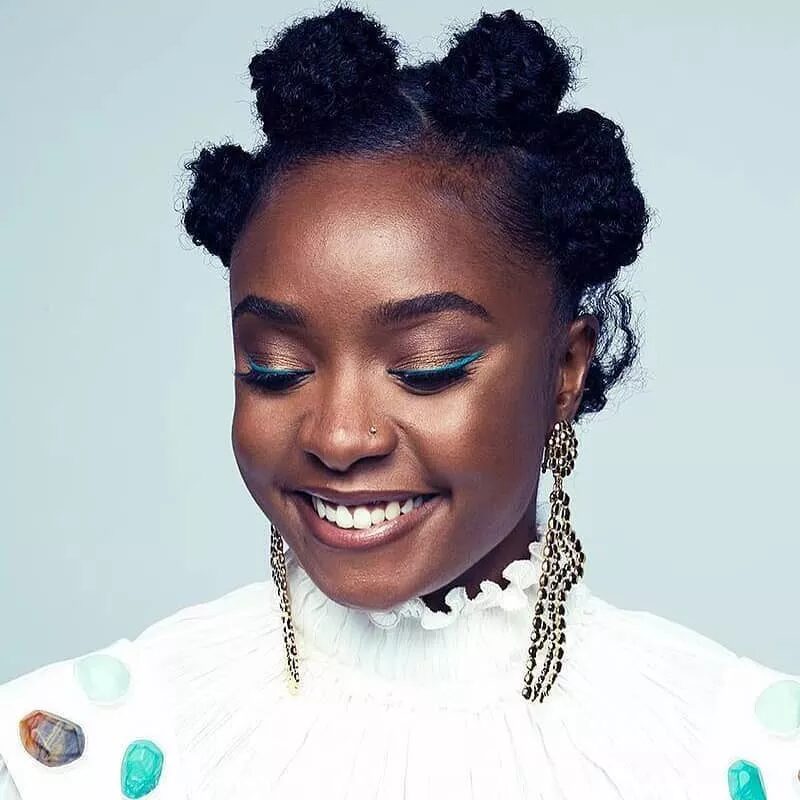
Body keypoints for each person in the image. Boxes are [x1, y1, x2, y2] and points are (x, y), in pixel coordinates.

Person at [1, 4, 797, 799]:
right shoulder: (85, 751)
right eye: (274, 368)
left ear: (565, 369)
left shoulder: (729, 755)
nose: (340, 436)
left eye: (427, 366)